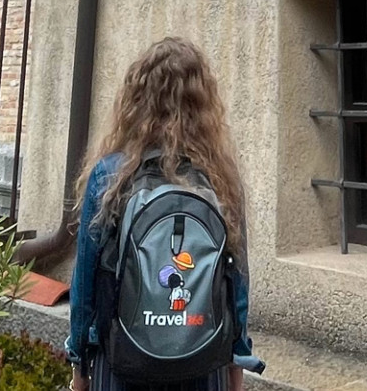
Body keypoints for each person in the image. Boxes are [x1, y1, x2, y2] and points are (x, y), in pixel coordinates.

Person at [66, 38, 256, 391]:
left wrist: (79, 362)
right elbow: (237, 281)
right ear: (204, 103)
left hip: (123, 358)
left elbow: (85, 282)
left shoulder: (111, 174)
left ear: (135, 100)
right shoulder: (220, 177)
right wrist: (237, 364)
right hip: (203, 354)